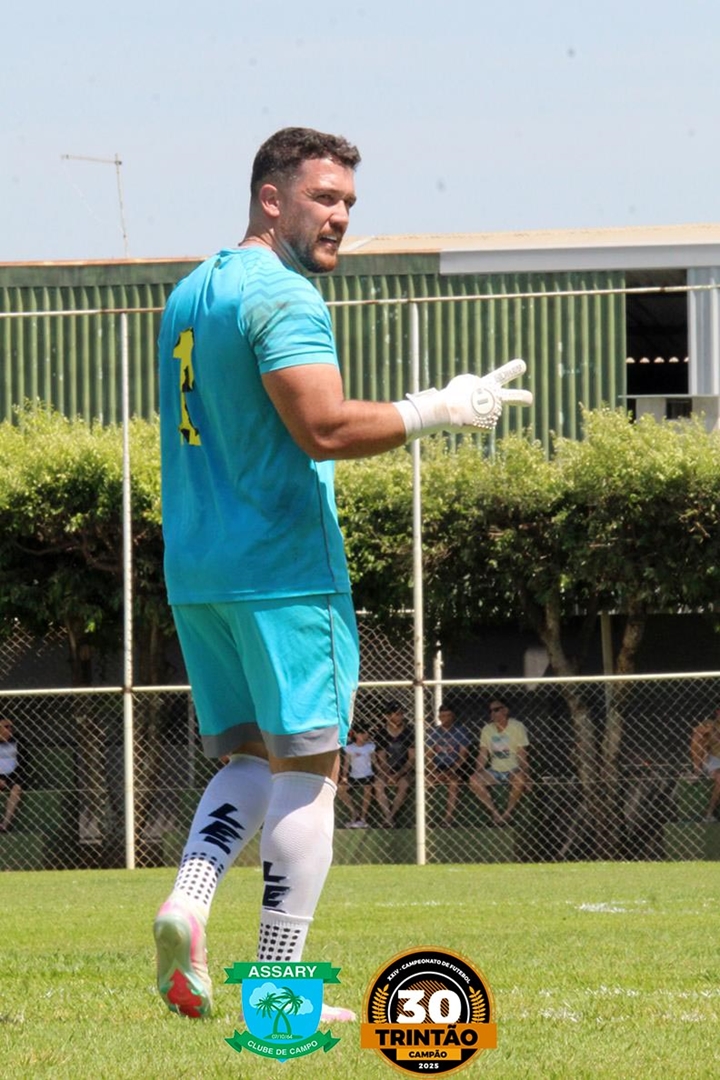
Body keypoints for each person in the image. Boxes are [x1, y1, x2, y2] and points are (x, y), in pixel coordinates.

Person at [153, 126, 532, 1021]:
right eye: (324, 198)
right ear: (270, 197)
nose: (340, 217)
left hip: (200, 571)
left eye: (349, 203)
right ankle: (278, 993)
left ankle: (189, 900)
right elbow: (321, 427)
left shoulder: (192, 291)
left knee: (250, 757)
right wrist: (438, 407)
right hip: (284, 568)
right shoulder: (282, 295)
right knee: (311, 772)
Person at [469, 698, 530, 825]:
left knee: (520, 779)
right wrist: (478, 772)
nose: (492, 713)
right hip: (495, 771)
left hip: (513, 770)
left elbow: (522, 753)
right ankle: (495, 813)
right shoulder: (487, 729)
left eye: (496, 709)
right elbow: (483, 754)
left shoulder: (517, 726)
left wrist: (526, 775)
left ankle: (507, 813)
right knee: (474, 780)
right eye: (490, 711)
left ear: (505, 710)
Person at [426, 703, 473, 826]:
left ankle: (448, 818)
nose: (445, 719)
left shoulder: (461, 731)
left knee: (453, 783)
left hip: (456, 766)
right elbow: (429, 755)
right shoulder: (433, 732)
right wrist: (433, 771)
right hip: (438, 766)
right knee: (425, 782)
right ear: (439, 717)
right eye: (442, 716)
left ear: (453, 716)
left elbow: (463, 756)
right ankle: (424, 819)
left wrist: (450, 771)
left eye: (448, 715)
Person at [373, 700, 415, 826]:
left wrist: (398, 774)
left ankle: (390, 817)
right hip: (386, 770)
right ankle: (388, 817)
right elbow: (382, 759)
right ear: (387, 716)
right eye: (396, 714)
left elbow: (412, 759)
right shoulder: (381, 733)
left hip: (404, 769)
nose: (400, 717)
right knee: (378, 785)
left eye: (401, 714)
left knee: (403, 785)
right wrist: (388, 774)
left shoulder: (409, 732)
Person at [337, 723, 385, 828]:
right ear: (355, 734)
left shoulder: (370, 747)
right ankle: (354, 812)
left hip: (368, 775)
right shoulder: (350, 748)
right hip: (353, 776)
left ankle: (363, 818)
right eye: (362, 733)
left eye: (366, 733)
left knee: (367, 791)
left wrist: (381, 772)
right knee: (340, 789)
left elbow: (375, 762)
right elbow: (346, 763)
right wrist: (344, 776)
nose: (364, 735)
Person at [689, 707, 720, 821]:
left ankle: (710, 813)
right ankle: (697, 770)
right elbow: (696, 732)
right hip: (714, 758)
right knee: (698, 736)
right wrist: (709, 731)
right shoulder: (710, 723)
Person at [0, 717, 23, 833]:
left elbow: (22, 763)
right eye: (6, 726)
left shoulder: (17, 741)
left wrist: (5, 779)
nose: (10, 729)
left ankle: (4, 824)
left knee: (16, 788)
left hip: (13, 777)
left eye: (11, 727)